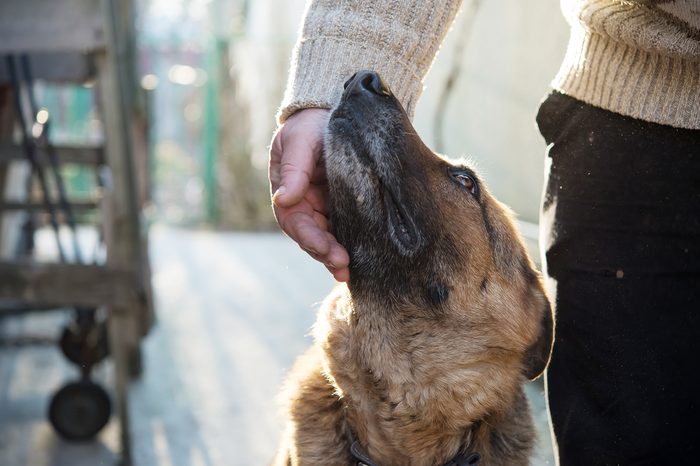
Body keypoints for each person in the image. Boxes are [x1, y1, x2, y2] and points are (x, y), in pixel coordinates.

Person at [268, 0, 700, 463]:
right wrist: (333, 78)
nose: (364, 85)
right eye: (463, 183)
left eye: (463, 184)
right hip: (636, 124)